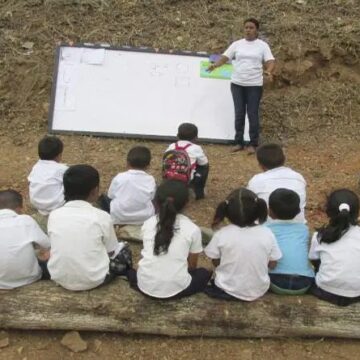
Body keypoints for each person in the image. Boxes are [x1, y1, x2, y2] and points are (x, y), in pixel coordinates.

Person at [47, 164, 132, 291]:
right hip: (95, 279)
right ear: (94, 191)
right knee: (124, 249)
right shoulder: (101, 216)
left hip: (60, 277)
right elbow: (111, 250)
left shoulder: (54, 215)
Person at [127, 180, 212, 299]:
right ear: (187, 203)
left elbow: (148, 251)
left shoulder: (148, 223)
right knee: (204, 273)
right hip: (176, 290)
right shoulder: (192, 229)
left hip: (145, 285)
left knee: (131, 272)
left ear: (156, 202)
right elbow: (192, 266)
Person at [208, 18, 275, 154]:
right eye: (246, 27)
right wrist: (215, 65)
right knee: (239, 114)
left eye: (251, 28)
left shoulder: (262, 46)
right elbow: (225, 57)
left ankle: (253, 144)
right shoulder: (237, 44)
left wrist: (268, 71)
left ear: (256, 30)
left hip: (254, 85)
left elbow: (271, 61)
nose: (248, 30)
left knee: (252, 114)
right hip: (237, 84)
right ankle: (238, 142)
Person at [204, 187, 282, 301]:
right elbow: (273, 263)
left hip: (226, 288)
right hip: (259, 289)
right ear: (258, 210)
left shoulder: (221, 234)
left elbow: (215, 260)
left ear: (227, 212)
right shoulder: (267, 233)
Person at [309, 189, 360, 306]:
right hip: (357, 293)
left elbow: (314, 260)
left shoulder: (320, 236)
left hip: (326, 291)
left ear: (328, 212)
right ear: (357, 212)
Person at [266, 189, 314, 295]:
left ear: (270, 211)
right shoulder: (303, 229)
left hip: (275, 281)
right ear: (298, 211)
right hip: (304, 283)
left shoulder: (266, 229)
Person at [0, 190, 50, 289]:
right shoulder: (25, 220)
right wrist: (41, 253)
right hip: (30, 279)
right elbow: (47, 244)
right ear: (19, 209)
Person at [247, 143, 306, 223]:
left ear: (261, 165)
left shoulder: (256, 181)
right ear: (284, 159)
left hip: (265, 229)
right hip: (297, 227)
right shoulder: (299, 178)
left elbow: (249, 206)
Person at [105, 146, 156, 227]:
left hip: (119, 217)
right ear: (148, 165)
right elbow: (152, 197)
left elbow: (110, 195)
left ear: (127, 163)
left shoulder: (119, 177)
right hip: (144, 218)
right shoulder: (150, 179)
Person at [165, 123, 209, 200]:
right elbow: (204, 163)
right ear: (196, 138)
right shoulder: (196, 148)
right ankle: (199, 192)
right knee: (204, 166)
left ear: (177, 135)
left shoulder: (171, 146)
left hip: (169, 176)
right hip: (186, 179)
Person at [28, 135, 68, 215]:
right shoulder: (62, 169)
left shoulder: (36, 167)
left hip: (36, 203)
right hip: (57, 205)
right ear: (59, 155)